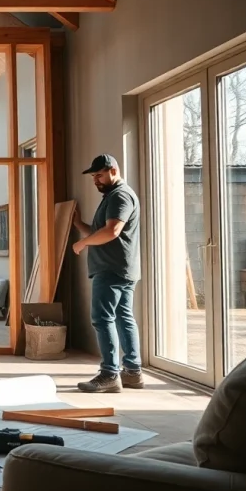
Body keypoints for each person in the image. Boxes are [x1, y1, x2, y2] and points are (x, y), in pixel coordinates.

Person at [71, 154, 142, 393]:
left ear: (113, 171)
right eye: (93, 176)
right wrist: (79, 225)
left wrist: (83, 243)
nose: (95, 180)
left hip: (111, 269)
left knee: (102, 319)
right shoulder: (113, 196)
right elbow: (100, 232)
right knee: (123, 317)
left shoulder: (120, 196)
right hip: (121, 268)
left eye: (99, 175)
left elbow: (112, 231)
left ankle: (110, 374)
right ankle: (132, 372)